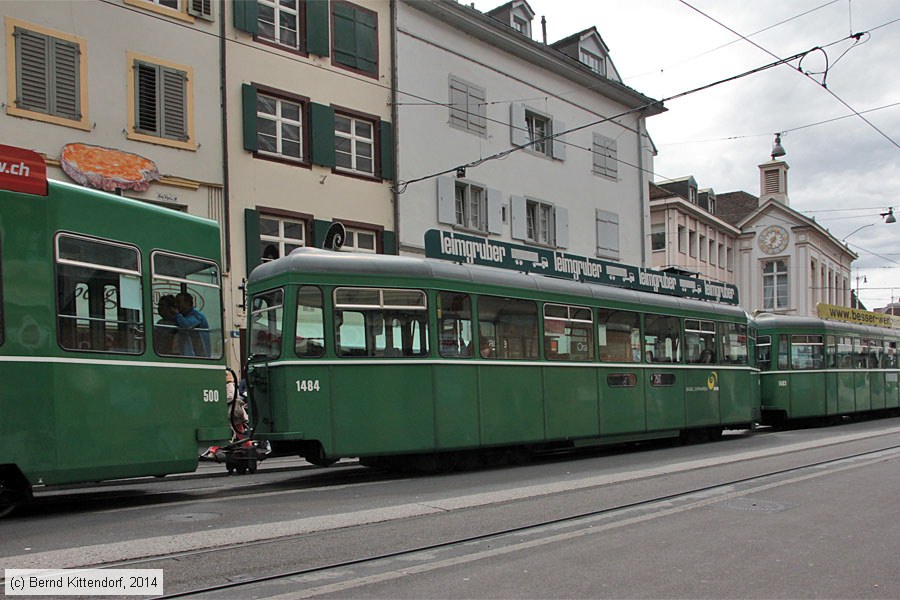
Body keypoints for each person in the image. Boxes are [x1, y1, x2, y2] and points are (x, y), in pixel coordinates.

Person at [174, 292, 211, 357]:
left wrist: (177, 314)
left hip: (200, 355)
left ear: (187, 303)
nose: (175, 304)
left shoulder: (196, 315)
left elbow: (186, 325)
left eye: (178, 302)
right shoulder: (182, 316)